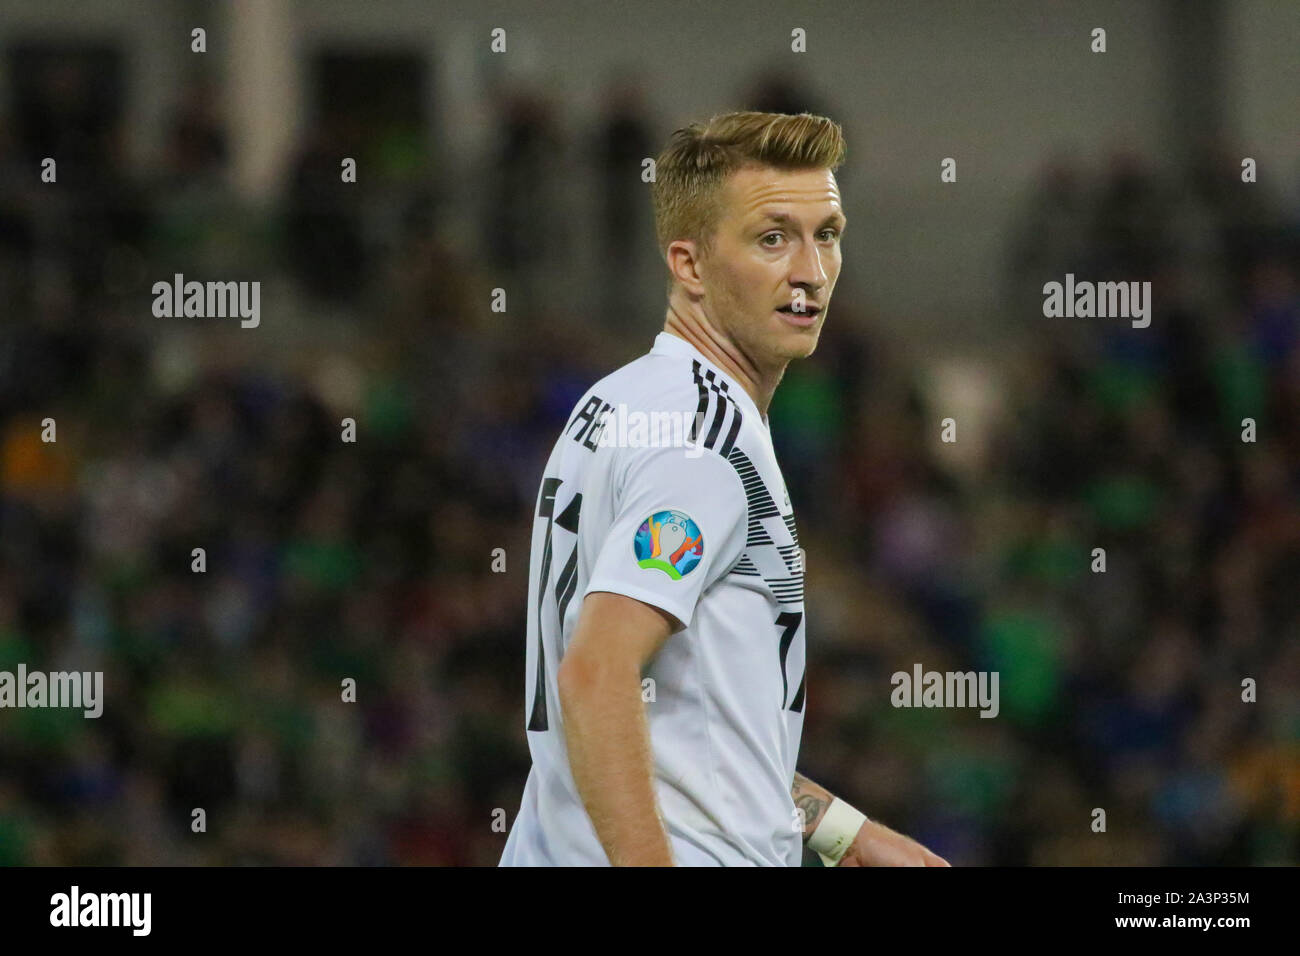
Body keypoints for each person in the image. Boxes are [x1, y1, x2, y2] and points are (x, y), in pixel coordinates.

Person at [500, 110, 949, 867]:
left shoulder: (621, 400)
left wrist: (851, 837)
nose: (809, 270)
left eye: (827, 234)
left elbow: (703, 739)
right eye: (772, 237)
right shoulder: (702, 446)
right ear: (690, 264)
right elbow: (595, 674)